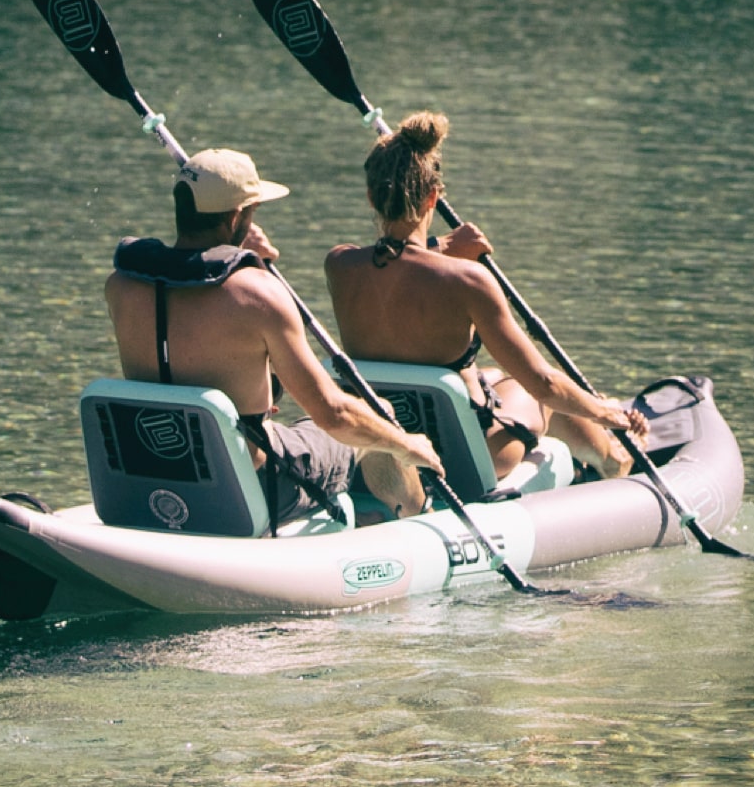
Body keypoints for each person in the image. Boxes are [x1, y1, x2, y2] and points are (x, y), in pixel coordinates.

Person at [104, 146, 443, 529]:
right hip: (255, 485)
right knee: (377, 414)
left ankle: (361, 518)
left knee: (300, 428)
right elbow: (334, 414)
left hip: (156, 474)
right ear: (236, 216)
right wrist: (407, 445)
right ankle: (421, 521)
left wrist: (236, 256)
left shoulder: (121, 287)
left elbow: (190, 330)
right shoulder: (258, 295)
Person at [324, 112, 649, 485]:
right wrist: (604, 412)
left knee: (492, 376)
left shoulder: (339, 265)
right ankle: (613, 459)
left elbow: (396, 263)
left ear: (370, 197)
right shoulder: (468, 280)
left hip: (383, 446)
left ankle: (597, 449)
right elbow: (543, 383)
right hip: (466, 459)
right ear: (433, 197)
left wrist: (441, 246)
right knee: (544, 392)